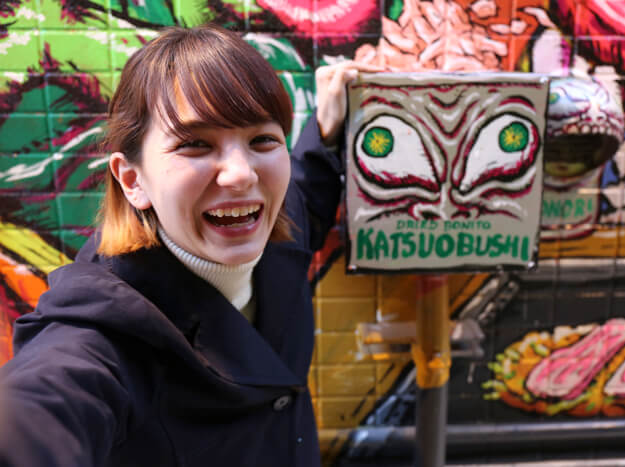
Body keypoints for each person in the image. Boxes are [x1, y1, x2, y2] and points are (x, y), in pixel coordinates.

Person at [0, 24, 377, 467]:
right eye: (195, 145)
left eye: (262, 140)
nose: (241, 175)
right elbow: (42, 405)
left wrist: (326, 126)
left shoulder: (277, 229)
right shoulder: (103, 334)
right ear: (132, 179)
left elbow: (305, 191)